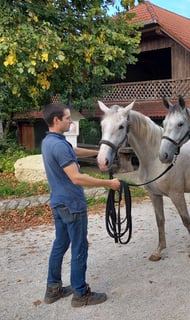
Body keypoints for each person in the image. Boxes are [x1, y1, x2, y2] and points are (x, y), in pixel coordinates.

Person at [41, 102, 120, 307]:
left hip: (58, 203)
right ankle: (80, 293)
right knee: (79, 247)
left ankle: (53, 289)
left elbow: (73, 151)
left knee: (60, 245)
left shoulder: (51, 141)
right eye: (67, 118)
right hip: (72, 205)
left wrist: (98, 153)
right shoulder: (59, 145)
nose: (70, 121)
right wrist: (108, 183)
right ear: (56, 120)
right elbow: (76, 178)